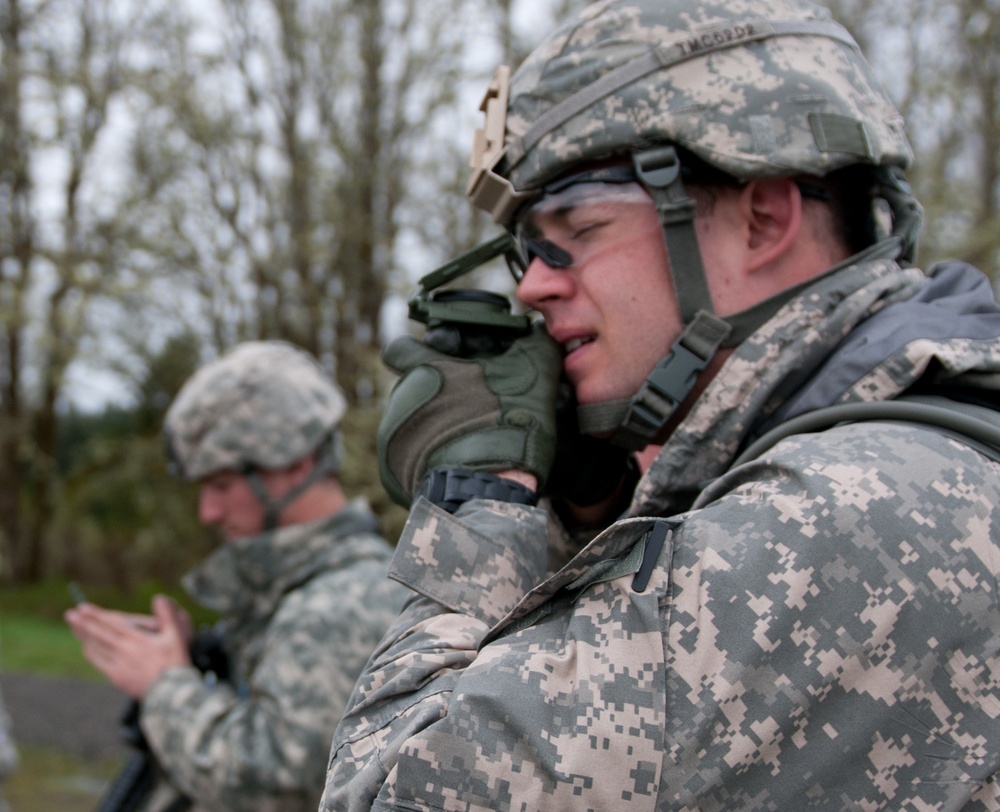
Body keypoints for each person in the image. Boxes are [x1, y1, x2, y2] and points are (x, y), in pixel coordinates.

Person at [320, 0, 1000, 809]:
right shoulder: (902, 450)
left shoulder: (857, 510)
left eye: (579, 225)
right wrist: (591, 504)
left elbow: (393, 790)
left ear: (763, 218)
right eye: (527, 249)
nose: (533, 284)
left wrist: (482, 495)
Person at [65, 340, 410, 812]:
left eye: (222, 485)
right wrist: (192, 661)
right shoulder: (300, 585)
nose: (208, 512)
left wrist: (164, 686)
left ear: (296, 462)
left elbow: (277, 781)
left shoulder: (342, 603)